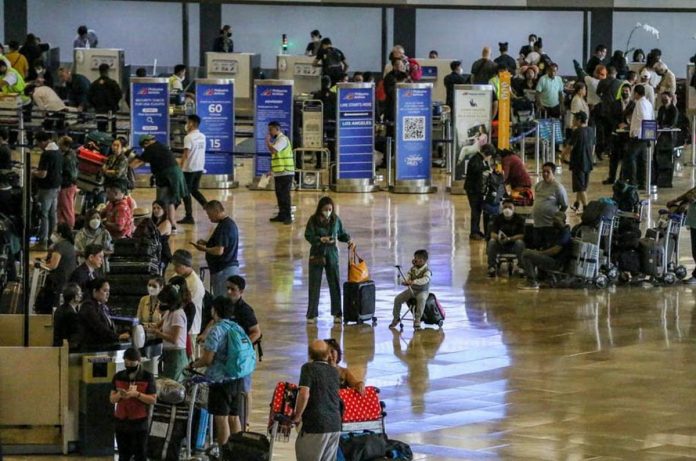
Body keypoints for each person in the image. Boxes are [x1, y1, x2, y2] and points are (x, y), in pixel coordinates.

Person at [190, 296, 255, 443]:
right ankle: (236, 451)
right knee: (234, 417)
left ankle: (224, 453)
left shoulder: (216, 331)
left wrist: (193, 365)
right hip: (237, 378)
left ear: (214, 311)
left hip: (220, 381)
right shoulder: (237, 327)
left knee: (221, 418)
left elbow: (207, 359)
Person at [304, 197, 354, 324]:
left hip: (331, 254)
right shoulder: (313, 220)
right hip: (317, 253)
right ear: (320, 209)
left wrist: (348, 239)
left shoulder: (335, 219)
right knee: (314, 285)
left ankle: (337, 313)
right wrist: (319, 240)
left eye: (330, 209)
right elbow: (308, 235)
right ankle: (312, 314)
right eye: (325, 209)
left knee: (334, 284)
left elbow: (341, 233)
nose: (328, 211)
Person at [293, 339, 342, 461]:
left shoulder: (308, 368)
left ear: (310, 354)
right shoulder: (334, 372)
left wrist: (297, 416)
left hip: (316, 424)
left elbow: (304, 394)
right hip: (335, 424)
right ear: (328, 354)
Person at [130, 134, 187, 231]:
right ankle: (172, 226)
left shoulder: (151, 148)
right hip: (176, 175)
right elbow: (142, 160)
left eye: (143, 146)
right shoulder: (160, 146)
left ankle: (158, 225)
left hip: (167, 176)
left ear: (146, 143)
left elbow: (137, 163)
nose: (144, 148)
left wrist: (126, 167)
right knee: (170, 201)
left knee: (160, 202)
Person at [109, 347, 156, 461]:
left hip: (139, 421)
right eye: (126, 361)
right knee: (123, 454)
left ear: (138, 361)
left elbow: (153, 400)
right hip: (121, 420)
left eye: (131, 361)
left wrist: (137, 394)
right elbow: (112, 399)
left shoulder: (147, 377)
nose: (128, 364)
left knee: (140, 454)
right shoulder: (118, 376)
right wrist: (120, 395)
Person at [191, 201, 239, 297]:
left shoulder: (224, 227)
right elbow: (224, 244)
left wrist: (203, 249)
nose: (209, 217)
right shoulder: (228, 224)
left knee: (221, 299)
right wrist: (207, 243)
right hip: (225, 268)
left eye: (209, 214)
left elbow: (219, 251)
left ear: (216, 211)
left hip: (223, 270)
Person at [519, 211, 572, 290]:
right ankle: (537, 278)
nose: (554, 222)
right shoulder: (555, 231)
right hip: (551, 259)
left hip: (556, 262)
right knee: (528, 252)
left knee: (527, 254)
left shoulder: (565, 233)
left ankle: (532, 282)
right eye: (554, 220)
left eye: (557, 221)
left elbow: (555, 250)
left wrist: (540, 253)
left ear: (563, 221)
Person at [149, 284, 188, 381]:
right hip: (168, 354)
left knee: (173, 386)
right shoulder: (169, 312)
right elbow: (159, 325)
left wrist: (157, 333)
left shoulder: (177, 314)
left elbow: (174, 339)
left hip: (176, 355)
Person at [78, 278, 129, 349]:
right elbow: (99, 326)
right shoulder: (88, 306)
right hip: (92, 349)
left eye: (108, 291)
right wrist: (118, 336)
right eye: (105, 290)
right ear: (95, 291)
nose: (108, 293)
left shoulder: (102, 306)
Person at [32, 131, 62, 251]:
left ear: (42, 141)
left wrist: (33, 172)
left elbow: (43, 174)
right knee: (52, 213)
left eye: (38, 143)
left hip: (47, 188)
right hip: (56, 186)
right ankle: (50, 237)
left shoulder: (47, 154)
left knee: (44, 214)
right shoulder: (58, 151)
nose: (38, 146)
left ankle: (43, 240)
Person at [620, 84, 653, 188]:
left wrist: (632, 127)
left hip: (639, 135)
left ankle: (633, 181)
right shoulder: (648, 103)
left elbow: (644, 118)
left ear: (636, 93)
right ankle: (642, 182)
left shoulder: (640, 103)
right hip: (645, 135)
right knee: (642, 159)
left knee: (631, 157)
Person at [39, 223, 77, 312]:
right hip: (68, 278)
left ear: (60, 234)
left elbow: (53, 265)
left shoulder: (60, 246)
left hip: (60, 280)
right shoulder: (70, 245)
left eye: (55, 232)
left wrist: (39, 265)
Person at [390, 249, 432, 330]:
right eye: (415, 257)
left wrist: (413, 282)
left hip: (422, 291)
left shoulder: (427, 271)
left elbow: (425, 280)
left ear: (422, 260)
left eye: (416, 258)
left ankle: (417, 320)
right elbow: (407, 277)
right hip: (412, 290)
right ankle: (396, 318)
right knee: (397, 299)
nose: (414, 260)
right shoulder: (412, 269)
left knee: (422, 299)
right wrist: (404, 282)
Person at [178, 114, 208, 225]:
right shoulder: (202, 136)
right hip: (199, 167)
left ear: (192, 123)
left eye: (188, 122)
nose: (186, 125)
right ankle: (207, 206)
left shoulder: (188, 137)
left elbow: (186, 154)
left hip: (189, 169)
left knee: (186, 192)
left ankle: (189, 216)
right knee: (194, 190)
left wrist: (180, 168)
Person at [170, 249, 204, 342]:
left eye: (177, 266)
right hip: (175, 322)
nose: (174, 269)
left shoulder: (195, 284)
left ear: (184, 265)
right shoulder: (176, 276)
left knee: (189, 355)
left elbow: (187, 306)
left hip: (190, 326)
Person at [603, 82, 634, 185]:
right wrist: (617, 125)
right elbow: (610, 117)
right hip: (616, 135)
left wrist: (626, 125)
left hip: (627, 135)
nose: (625, 93)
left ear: (630, 92)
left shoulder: (633, 105)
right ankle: (611, 177)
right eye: (623, 91)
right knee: (614, 158)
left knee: (625, 158)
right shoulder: (615, 103)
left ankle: (622, 178)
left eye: (627, 91)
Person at [563, 111, 594, 213]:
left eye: (574, 119)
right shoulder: (590, 130)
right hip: (588, 161)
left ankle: (586, 209)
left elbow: (570, 146)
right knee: (581, 185)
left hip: (578, 162)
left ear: (579, 120)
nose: (573, 120)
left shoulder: (577, 131)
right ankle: (577, 204)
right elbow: (593, 145)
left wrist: (563, 155)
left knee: (580, 187)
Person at [532, 162, 568, 248]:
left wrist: (557, 217)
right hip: (537, 224)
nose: (545, 174)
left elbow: (564, 205)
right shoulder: (538, 186)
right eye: (543, 171)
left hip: (550, 225)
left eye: (548, 172)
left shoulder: (558, 188)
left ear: (553, 173)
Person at [464, 144, 496, 241]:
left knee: (478, 210)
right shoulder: (475, 159)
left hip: (477, 190)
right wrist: (486, 169)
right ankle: (474, 232)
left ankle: (477, 230)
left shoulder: (480, 159)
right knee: (475, 211)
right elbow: (476, 170)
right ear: (487, 154)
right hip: (472, 190)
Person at [266, 121, 295, 225]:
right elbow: (276, 158)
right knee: (279, 194)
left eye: (271, 129)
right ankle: (281, 214)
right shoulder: (277, 140)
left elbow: (274, 151)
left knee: (285, 195)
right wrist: (271, 171)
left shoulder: (283, 139)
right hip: (279, 172)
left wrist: (267, 141)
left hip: (286, 172)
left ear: (277, 129)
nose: (269, 132)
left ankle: (288, 216)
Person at [487, 200, 526, 277]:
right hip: (501, 244)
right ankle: (492, 267)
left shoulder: (520, 219)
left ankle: (522, 267)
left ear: (514, 208)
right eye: (505, 207)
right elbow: (492, 234)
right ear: (502, 208)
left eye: (510, 207)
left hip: (514, 245)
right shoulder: (497, 218)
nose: (507, 209)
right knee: (491, 242)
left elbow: (522, 235)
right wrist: (499, 238)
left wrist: (509, 239)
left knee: (520, 243)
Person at [667, 187, 696, 284]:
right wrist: (677, 200)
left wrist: (685, 203)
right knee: (695, 250)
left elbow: (692, 196)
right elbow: (692, 192)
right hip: (694, 220)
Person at [88, 63, 122, 131]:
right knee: (112, 131)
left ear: (99, 71)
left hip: (99, 112)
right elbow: (119, 95)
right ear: (107, 71)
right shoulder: (113, 83)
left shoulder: (94, 84)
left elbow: (89, 97)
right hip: (111, 111)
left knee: (101, 131)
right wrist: (114, 104)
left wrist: (96, 105)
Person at [57, 136, 78, 228]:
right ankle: (63, 226)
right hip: (69, 185)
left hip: (67, 186)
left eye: (60, 144)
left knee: (67, 209)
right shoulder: (71, 154)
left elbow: (71, 174)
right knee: (63, 208)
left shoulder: (67, 158)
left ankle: (69, 227)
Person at [53, 283, 82, 348]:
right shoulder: (71, 313)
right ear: (75, 296)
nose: (81, 295)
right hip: (67, 348)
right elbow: (74, 334)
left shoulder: (60, 309)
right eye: (79, 293)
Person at [152, 200, 172, 273]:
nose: (155, 210)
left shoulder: (166, 223)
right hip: (156, 253)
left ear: (164, 209)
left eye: (158, 208)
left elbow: (153, 235)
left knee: (160, 275)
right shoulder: (154, 222)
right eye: (154, 208)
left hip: (163, 254)